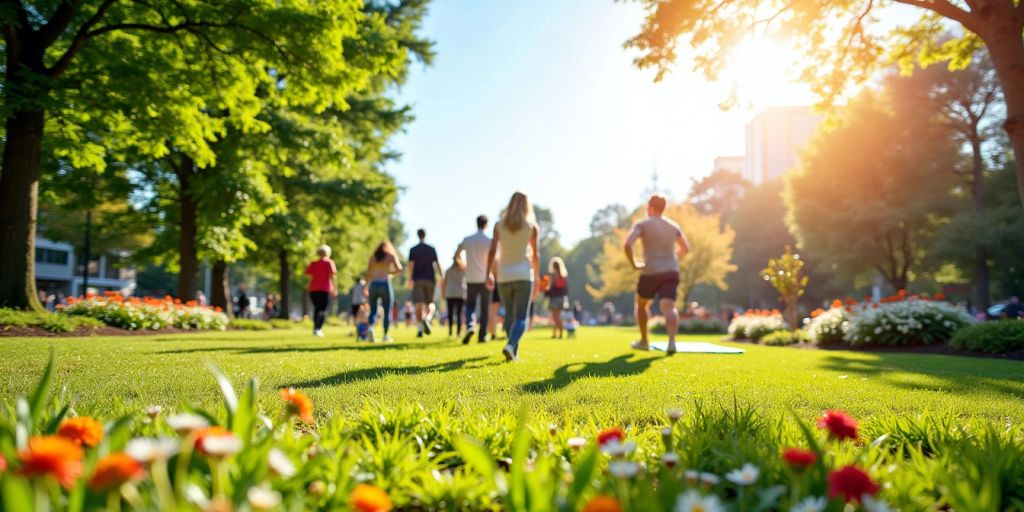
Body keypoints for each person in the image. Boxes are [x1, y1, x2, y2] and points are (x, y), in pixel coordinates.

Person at [624, 194, 690, 354]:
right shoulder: (673, 226)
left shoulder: (643, 224)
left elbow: (628, 244)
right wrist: (673, 257)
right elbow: (686, 248)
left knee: (641, 304)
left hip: (650, 271)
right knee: (668, 307)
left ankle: (644, 341)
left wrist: (634, 264)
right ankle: (672, 342)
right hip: (671, 271)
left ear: (650, 207)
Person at [487, 191, 541, 362]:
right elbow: (536, 255)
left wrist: (488, 272)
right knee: (520, 317)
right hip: (524, 275)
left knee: (509, 315)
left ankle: (513, 353)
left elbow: (492, 251)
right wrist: (537, 276)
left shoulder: (498, 225)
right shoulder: (531, 227)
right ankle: (511, 346)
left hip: (504, 275)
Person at [454, 215, 493, 344]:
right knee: (484, 307)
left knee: (470, 305)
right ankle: (482, 336)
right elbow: (494, 259)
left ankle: (470, 325)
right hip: (485, 278)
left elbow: (456, 256)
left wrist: (462, 265)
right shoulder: (489, 240)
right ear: (486, 224)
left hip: (470, 277)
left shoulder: (467, 239)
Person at [363, 241, 403, 342]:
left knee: (373, 310)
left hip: (374, 284)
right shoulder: (390, 256)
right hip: (385, 283)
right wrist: (390, 273)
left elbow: (368, 273)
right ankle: (385, 335)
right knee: (387, 310)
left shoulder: (373, 257)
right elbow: (399, 269)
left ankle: (371, 329)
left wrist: (366, 287)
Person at [408, 229, 444, 338]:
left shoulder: (413, 249)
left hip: (418, 279)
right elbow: (438, 264)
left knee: (419, 304)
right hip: (430, 279)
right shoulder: (431, 249)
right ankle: (427, 319)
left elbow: (411, 265)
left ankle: (420, 329)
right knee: (430, 304)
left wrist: (410, 279)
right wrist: (442, 277)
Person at [305, 245, 338, 337]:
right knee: (322, 310)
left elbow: (310, 278)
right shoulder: (329, 262)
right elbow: (332, 277)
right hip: (324, 289)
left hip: (313, 289)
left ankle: (316, 328)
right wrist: (335, 289)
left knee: (317, 309)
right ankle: (318, 328)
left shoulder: (313, 263)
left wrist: (308, 288)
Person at [544, 257, 570, 339]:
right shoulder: (564, 275)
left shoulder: (552, 275)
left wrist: (545, 292)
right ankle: (556, 333)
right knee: (558, 316)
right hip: (562, 298)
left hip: (554, 298)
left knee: (555, 317)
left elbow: (549, 287)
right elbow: (566, 288)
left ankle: (561, 330)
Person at [444, 255, 467, 337]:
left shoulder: (448, 271)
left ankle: (450, 331)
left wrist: (443, 293)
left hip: (450, 293)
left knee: (450, 313)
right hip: (460, 293)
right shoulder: (463, 270)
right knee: (459, 314)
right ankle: (458, 332)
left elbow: (445, 283)